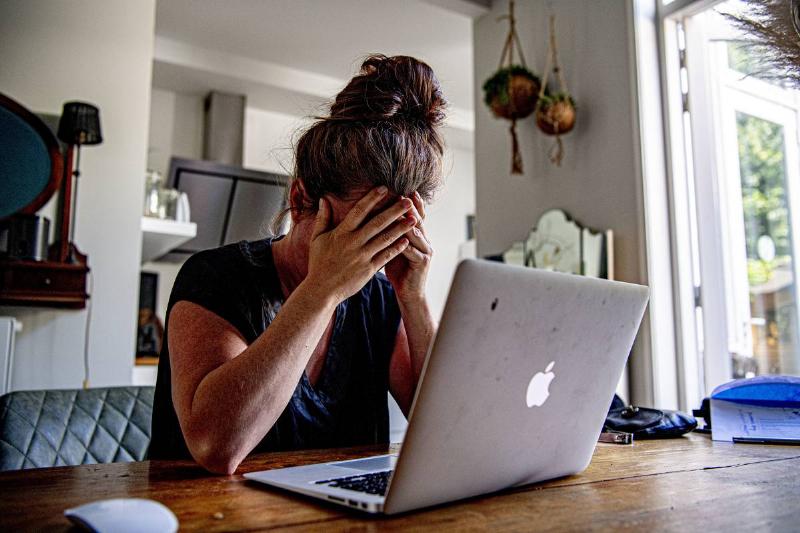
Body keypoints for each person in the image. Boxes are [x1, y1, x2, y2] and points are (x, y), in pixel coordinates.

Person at [148, 54, 446, 475]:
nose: (367, 260)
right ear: (300, 200)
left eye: (386, 237)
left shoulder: (381, 299)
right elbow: (216, 445)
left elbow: (447, 429)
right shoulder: (215, 278)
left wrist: (414, 298)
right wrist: (323, 289)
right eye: (355, 234)